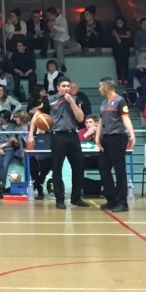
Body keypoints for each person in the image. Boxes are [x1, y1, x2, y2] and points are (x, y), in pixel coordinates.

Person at [47, 78, 88, 209]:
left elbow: (81, 118)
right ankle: (60, 199)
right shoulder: (49, 99)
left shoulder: (75, 99)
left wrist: (71, 102)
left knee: (78, 167)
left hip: (72, 135)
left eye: (68, 86)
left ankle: (76, 198)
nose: (66, 88)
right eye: (64, 86)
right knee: (57, 168)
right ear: (58, 87)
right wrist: (32, 134)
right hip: (57, 135)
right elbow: (38, 114)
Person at [96, 78, 134, 212]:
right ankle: (111, 200)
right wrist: (97, 138)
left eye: (100, 87)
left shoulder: (120, 101)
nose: (99, 89)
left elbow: (125, 118)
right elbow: (100, 121)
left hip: (118, 138)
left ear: (106, 87)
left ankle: (122, 202)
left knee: (119, 170)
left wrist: (132, 134)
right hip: (106, 139)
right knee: (104, 169)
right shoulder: (103, 103)